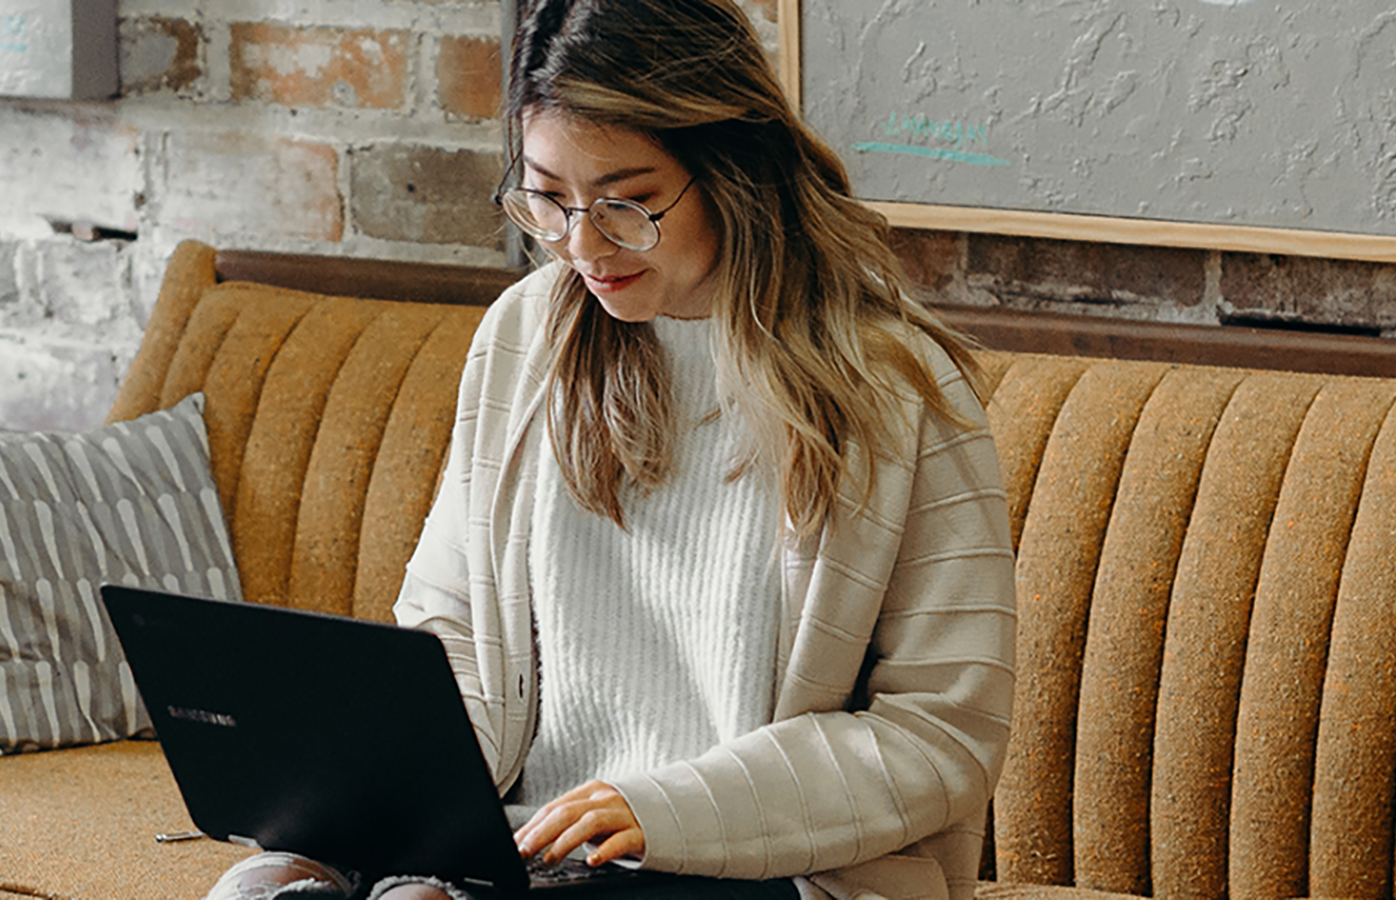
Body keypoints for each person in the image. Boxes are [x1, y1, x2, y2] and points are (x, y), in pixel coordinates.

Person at [206, 1, 1014, 898]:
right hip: (534, 845)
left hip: (771, 868)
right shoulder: (525, 335)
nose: (582, 247)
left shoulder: (897, 389)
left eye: (628, 202)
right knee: (264, 885)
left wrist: (665, 809)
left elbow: (943, 734)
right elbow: (453, 631)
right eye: (549, 199)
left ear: (733, 166)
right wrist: (381, 795)